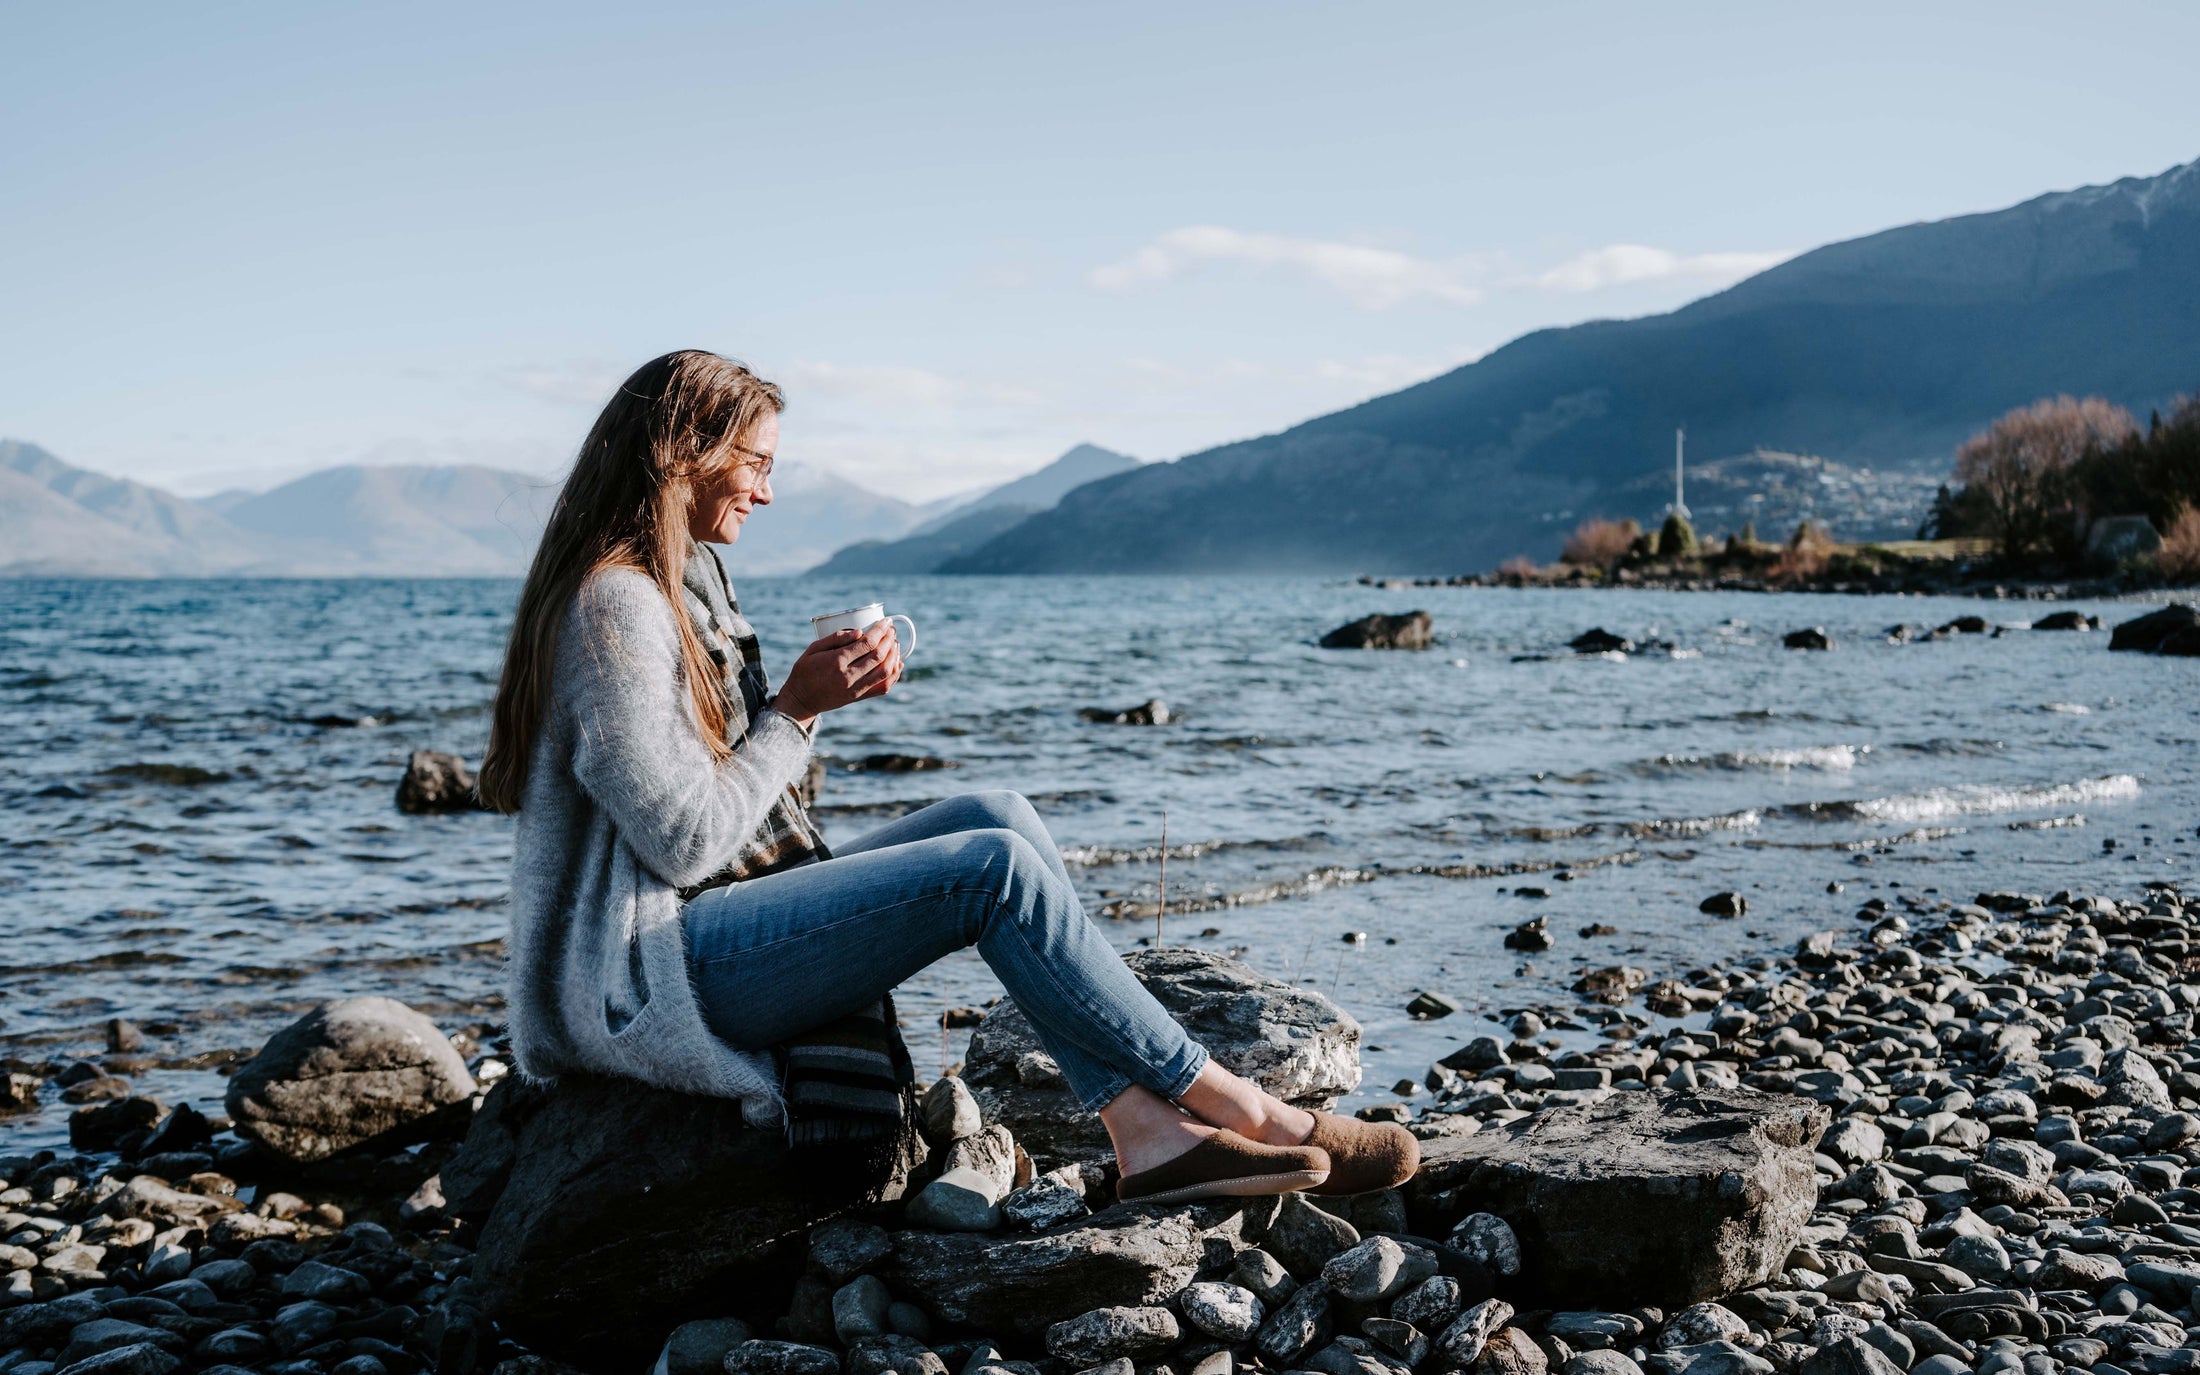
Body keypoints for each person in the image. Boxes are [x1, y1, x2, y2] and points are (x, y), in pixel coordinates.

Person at [479, 349, 1416, 1205]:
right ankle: (1244, 1108)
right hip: (655, 966)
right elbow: (680, 838)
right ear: (687, 450)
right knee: (990, 872)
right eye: (757, 462)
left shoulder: (693, 587)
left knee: (996, 813)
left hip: (721, 914)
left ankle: (1146, 1130)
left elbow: (738, 811)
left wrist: (802, 707)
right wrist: (797, 712)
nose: (766, 492)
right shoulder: (617, 606)